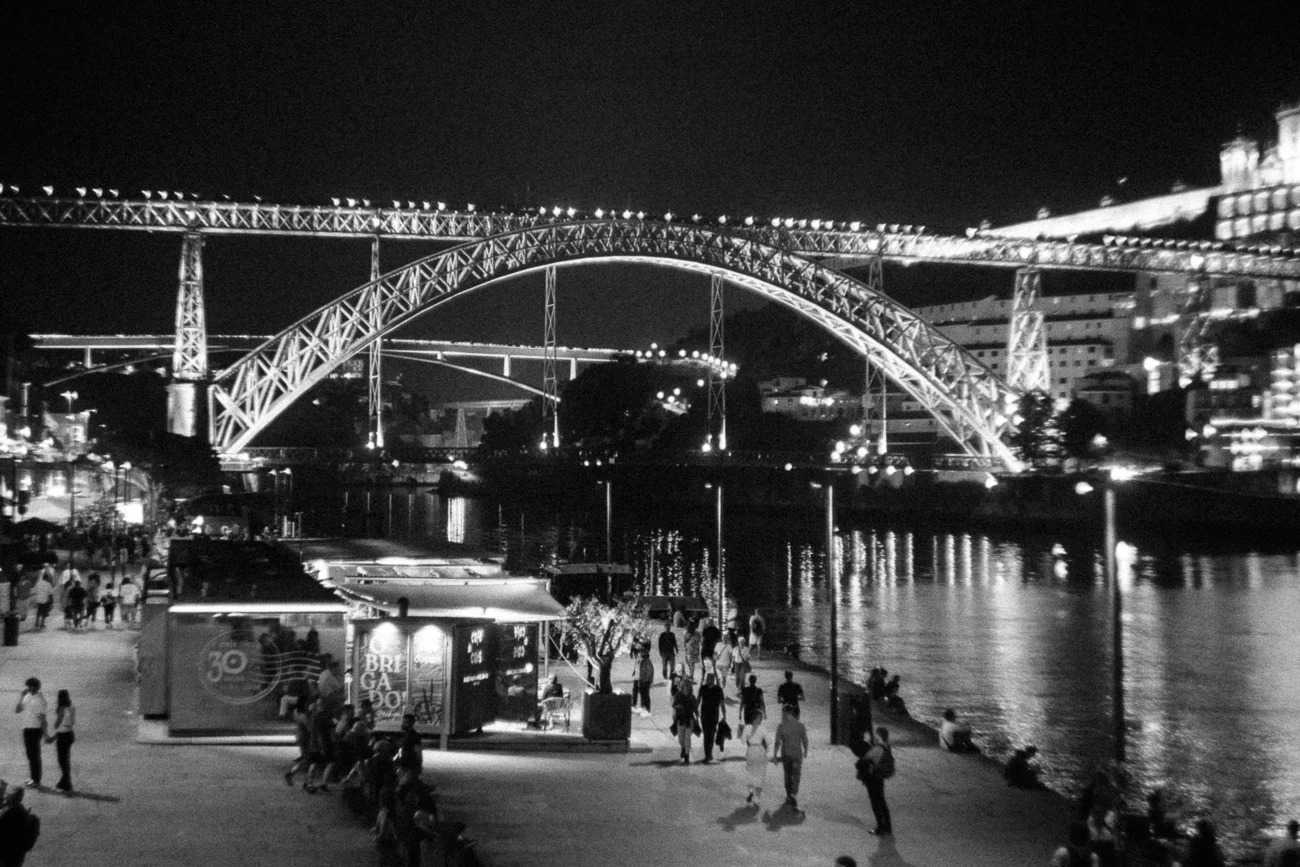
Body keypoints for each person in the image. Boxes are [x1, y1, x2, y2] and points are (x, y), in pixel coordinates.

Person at [855, 726, 894, 836]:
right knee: (882, 802)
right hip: (880, 778)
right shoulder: (887, 747)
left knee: (875, 803)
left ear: (879, 736)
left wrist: (866, 743)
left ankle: (880, 827)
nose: (874, 737)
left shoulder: (876, 749)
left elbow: (861, 762)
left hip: (873, 778)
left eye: (876, 735)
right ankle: (888, 828)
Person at [772, 703, 809, 809]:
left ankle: (789, 795)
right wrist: (806, 750)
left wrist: (775, 755)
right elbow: (805, 740)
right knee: (796, 775)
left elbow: (777, 742)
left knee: (787, 775)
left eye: (782, 712)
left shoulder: (781, 726)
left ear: (785, 713)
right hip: (797, 754)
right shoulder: (800, 726)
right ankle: (793, 793)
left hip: (786, 754)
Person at [14, 678, 47, 788]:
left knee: (34, 755)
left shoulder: (40, 700)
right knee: (30, 754)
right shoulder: (27, 696)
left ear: (37, 687)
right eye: (28, 686)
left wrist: (45, 733)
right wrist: (22, 696)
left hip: (35, 729)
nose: (29, 688)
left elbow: (43, 717)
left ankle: (36, 780)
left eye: (31, 686)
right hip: (26, 728)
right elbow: (17, 710)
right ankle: (33, 778)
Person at [43, 690, 75, 794]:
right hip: (69, 734)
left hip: (63, 737)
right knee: (65, 761)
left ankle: (67, 786)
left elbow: (57, 725)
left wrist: (50, 736)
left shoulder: (62, 709)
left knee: (63, 762)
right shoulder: (71, 707)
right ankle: (63, 784)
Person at [0, 786, 36, 867]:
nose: (4, 796)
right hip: (17, 856)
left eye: (6, 794)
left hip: (5, 856)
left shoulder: (7, 814)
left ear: (11, 798)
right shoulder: (22, 811)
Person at [697, 672, 726, 763]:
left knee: (712, 734)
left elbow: (722, 703)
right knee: (706, 735)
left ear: (713, 679)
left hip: (714, 715)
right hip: (704, 714)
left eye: (710, 678)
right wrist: (695, 711)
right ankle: (707, 755)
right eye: (707, 678)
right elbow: (698, 699)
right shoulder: (703, 688)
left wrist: (724, 714)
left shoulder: (718, 689)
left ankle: (709, 754)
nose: (708, 680)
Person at [743, 712, 769, 805]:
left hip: (751, 750)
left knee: (750, 772)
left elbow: (743, 740)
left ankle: (750, 791)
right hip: (760, 750)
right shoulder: (763, 729)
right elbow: (768, 741)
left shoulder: (746, 728)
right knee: (760, 774)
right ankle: (757, 796)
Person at [672, 679, 699, 764]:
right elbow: (674, 706)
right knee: (681, 739)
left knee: (687, 738)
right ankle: (683, 748)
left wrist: (697, 720)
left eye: (688, 685)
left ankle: (687, 756)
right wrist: (674, 717)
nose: (686, 687)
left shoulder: (692, 697)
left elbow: (695, 709)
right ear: (682, 686)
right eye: (685, 685)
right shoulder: (678, 695)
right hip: (680, 719)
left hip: (689, 719)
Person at [632, 649, 654, 715]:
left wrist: (645, 680)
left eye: (639, 655)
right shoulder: (639, 661)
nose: (638, 657)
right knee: (637, 693)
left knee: (645, 696)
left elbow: (649, 672)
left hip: (644, 681)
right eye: (637, 655)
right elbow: (636, 669)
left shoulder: (647, 662)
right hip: (637, 679)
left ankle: (647, 710)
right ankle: (637, 706)